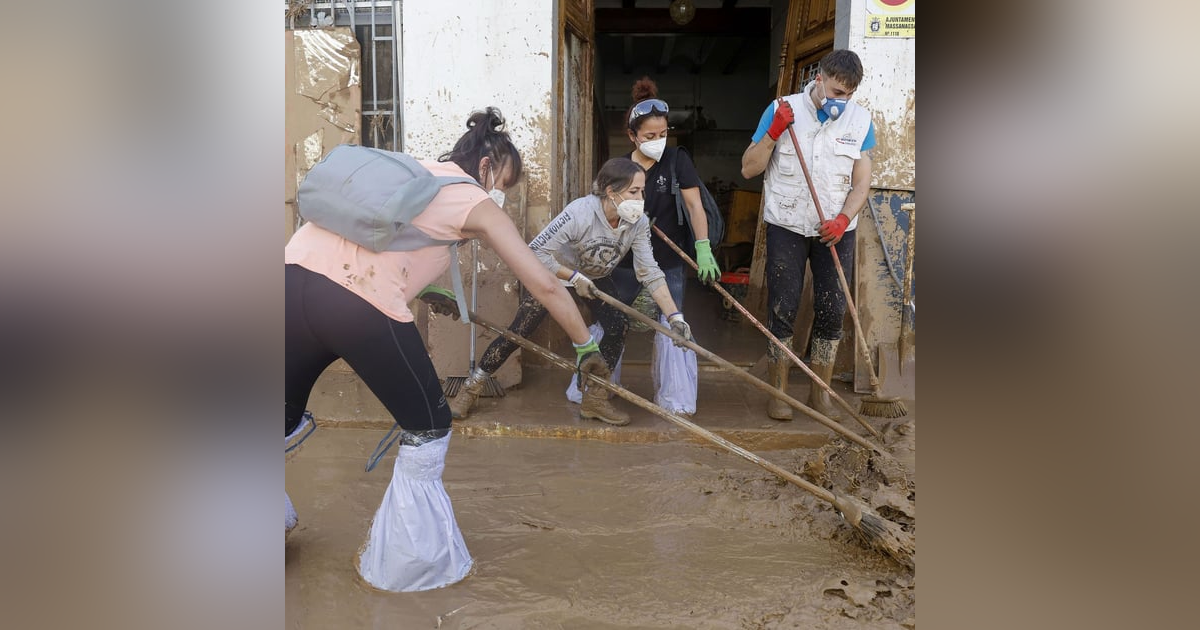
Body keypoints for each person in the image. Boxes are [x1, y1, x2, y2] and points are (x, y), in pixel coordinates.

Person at [284, 107, 611, 592]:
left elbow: (369, 249)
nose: (502, 194)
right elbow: (543, 284)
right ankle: (409, 570)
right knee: (429, 428)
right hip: (356, 304)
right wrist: (585, 345)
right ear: (487, 166)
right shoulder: (472, 198)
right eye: (505, 181)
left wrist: (423, 290)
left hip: (287, 282)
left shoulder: (412, 174)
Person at [449, 157, 694, 426]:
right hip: (557, 275)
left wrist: (675, 318)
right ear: (611, 192)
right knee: (518, 331)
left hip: (597, 277)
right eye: (634, 192)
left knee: (618, 325)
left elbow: (650, 272)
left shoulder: (637, 223)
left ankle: (595, 398)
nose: (641, 199)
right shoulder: (580, 213)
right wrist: (573, 276)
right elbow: (535, 252)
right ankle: (471, 389)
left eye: (643, 191)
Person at [739, 49, 877, 421]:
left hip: (835, 230)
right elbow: (749, 169)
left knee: (832, 310)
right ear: (818, 79)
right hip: (786, 225)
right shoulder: (783, 108)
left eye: (846, 95)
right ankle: (779, 393)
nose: (839, 101)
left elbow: (862, 183)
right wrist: (773, 132)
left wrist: (844, 217)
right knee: (783, 307)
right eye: (834, 91)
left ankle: (821, 394)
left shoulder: (860, 121)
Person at [609, 77, 719, 416]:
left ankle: (675, 397)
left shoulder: (676, 161)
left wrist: (702, 246)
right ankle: (598, 386)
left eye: (663, 134)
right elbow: (605, 215)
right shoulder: (619, 169)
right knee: (612, 319)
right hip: (625, 260)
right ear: (632, 136)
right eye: (649, 137)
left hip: (669, 259)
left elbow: (695, 205)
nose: (658, 142)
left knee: (673, 322)